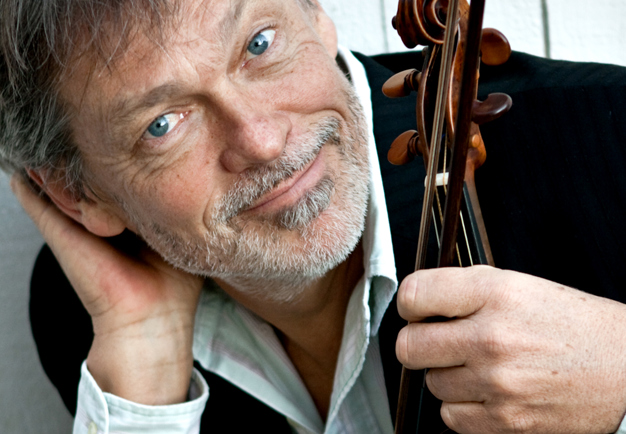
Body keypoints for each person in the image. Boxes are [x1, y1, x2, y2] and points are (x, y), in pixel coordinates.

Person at [3, 0, 626, 433]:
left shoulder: (609, 139)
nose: (263, 140)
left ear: (317, 17)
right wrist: (144, 386)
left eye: (259, 44)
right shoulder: (91, 323)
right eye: (162, 125)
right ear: (77, 196)